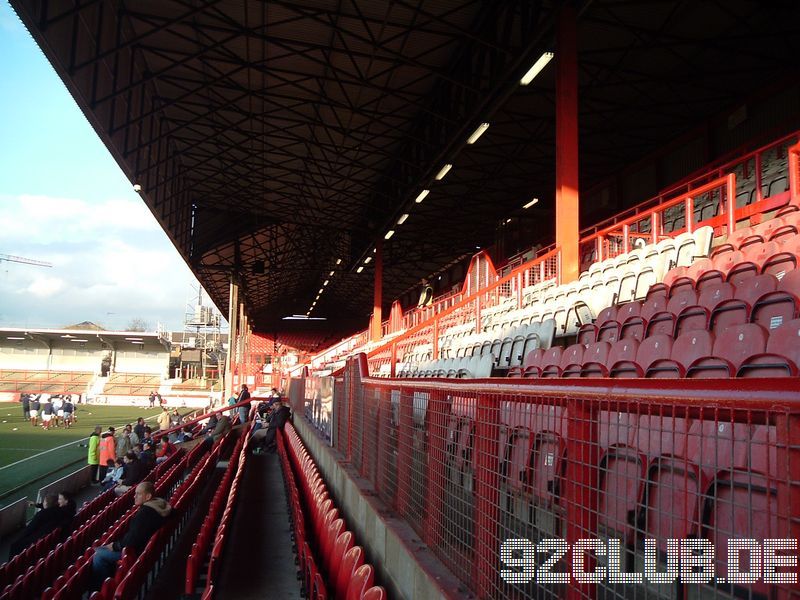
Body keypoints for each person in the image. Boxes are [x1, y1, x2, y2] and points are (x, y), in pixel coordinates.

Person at [91, 482, 172, 589]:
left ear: (148, 496)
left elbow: (132, 541)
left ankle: (101, 591)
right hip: (144, 550)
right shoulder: (158, 505)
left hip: (135, 553)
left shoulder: (145, 514)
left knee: (97, 554)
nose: (134, 496)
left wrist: (115, 546)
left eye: (138, 494)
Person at [8, 492, 73, 559]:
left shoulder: (41, 514)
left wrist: (20, 538)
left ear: (47, 503)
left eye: (44, 501)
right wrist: (36, 504)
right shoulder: (59, 510)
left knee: (14, 545)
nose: (43, 503)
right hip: (45, 536)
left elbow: (29, 529)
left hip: (36, 539)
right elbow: (49, 508)